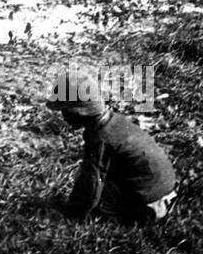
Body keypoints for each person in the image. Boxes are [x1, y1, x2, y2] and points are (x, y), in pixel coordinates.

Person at [45, 69, 177, 225]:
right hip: (167, 195)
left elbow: (91, 185)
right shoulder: (115, 122)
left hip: (149, 208)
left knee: (92, 189)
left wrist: (74, 213)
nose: (64, 117)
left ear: (79, 111)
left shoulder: (100, 138)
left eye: (64, 111)